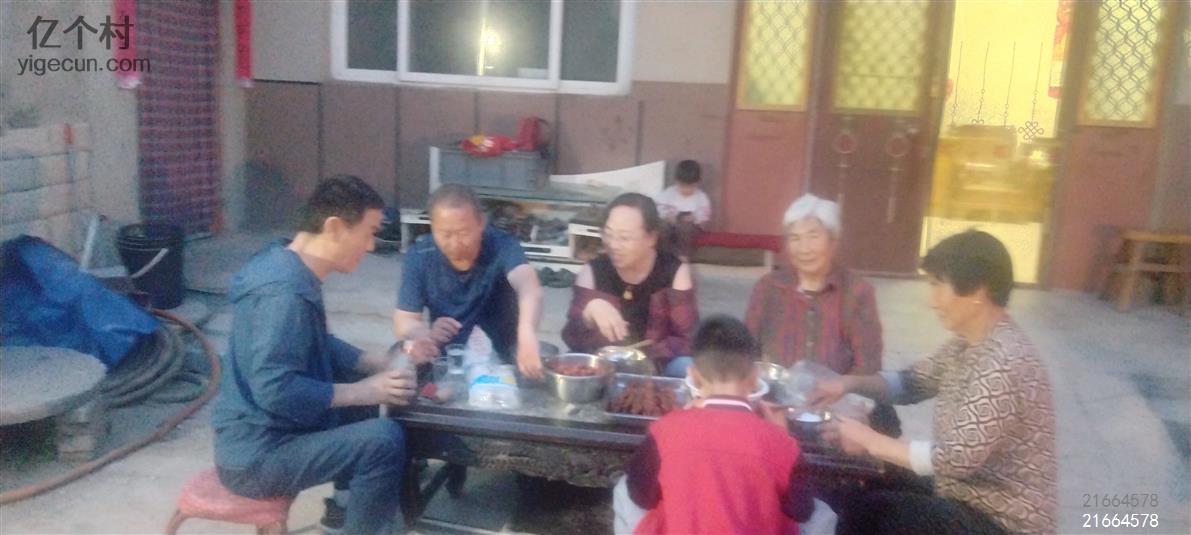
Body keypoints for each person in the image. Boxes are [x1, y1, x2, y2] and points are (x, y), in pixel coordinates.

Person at [811, 230, 1058, 535]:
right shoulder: (968, 344)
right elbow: (910, 384)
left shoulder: (1003, 362)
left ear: (978, 289)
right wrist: (846, 384)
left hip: (1000, 522)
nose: (932, 301)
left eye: (938, 285)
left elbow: (954, 459)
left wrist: (870, 440)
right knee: (872, 477)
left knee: (871, 513)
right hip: (961, 493)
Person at [211, 175, 416, 535]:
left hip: (271, 434)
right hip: (256, 457)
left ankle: (343, 511)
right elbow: (275, 390)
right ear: (334, 227)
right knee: (383, 441)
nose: (371, 246)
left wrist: (376, 364)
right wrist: (365, 390)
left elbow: (316, 341)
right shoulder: (283, 294)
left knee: (364, 392)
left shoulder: (286, 262)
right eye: (368, 233)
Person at [612, 315, 814, 534]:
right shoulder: (781, 442)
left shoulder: (667, 430)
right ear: (755, 377)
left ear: (693, 375)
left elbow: (641, 495)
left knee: (623, 488)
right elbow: (802, 511)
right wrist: (782, 435)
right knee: (823, 514)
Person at [744, 193, 900, 436]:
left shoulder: (856, 292)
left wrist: (846, 408)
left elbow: (868, 365)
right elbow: (745, 349)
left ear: (833, 240)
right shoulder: (768, 287)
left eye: (813, 236)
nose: (803, 248)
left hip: (835, 410)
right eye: (795, 238)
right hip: (775, 407)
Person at [393, 184, 545, 379]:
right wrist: (423, 334)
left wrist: (527, 334)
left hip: (500, 359)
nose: (455, 243)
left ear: (481, 223)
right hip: (446, 358)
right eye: (445, 234)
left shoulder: (502, 246)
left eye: (463, 233)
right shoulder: (420, 256)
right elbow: (404, 319)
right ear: (432, 227)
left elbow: (529, 287)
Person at [561, 193, 697, 377]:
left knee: (687, 366)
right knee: (569, 362)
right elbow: (572, 339)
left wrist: (641, 356)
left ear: (651, 238)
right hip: (604, 367)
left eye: (624, 238)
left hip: (657, 366)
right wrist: (588, 313)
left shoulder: (674, 272)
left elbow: (689, 338)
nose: (613, 245)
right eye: (608, 235)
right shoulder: (593, 271)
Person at [654, 159, 711, 260]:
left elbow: (705, 216)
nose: (686, 190)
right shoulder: (668, 193)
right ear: (676, 181)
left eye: (691, 186)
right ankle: (662, 255)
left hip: (690, 227)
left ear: (698, 182)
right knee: (662, 227)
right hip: (671, 224)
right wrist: (667, 215)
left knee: (685, 227)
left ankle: (683, 256)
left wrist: (695, 218)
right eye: (682, 186)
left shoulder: (701, 197)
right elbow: (658, 207)